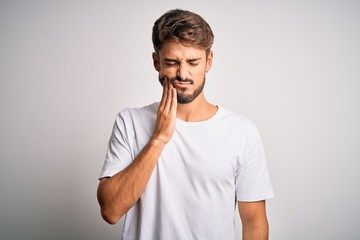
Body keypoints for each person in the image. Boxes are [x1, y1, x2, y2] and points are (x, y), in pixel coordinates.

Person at [97, 9, 274, 240]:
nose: (182, 73)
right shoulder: (129, 122)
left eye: (193, 62)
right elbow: (110, 211)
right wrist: (159, 138)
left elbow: (253, 223)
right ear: (156, 62)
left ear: (208, 61)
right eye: (171, 62)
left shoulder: (241, 131)